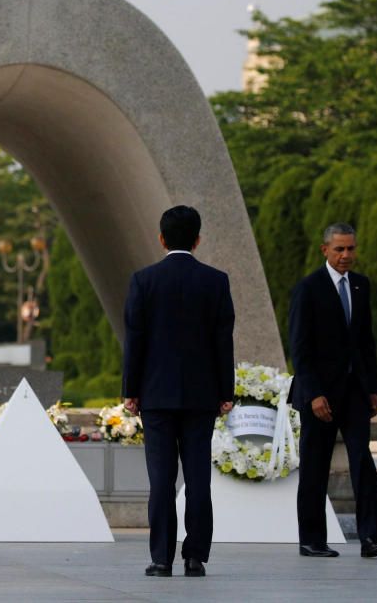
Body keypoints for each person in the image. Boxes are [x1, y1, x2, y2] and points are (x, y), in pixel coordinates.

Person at [122, 205, 235, 578]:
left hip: (156, 396)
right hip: (202, 396)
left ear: (161, 238)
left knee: (161, 479)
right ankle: (195, 556)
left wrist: (131, 390)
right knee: (198, 478)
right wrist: (225, 391)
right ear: (198, 239)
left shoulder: (144, 281)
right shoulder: (215, 281)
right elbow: (223, 341)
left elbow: (135, 341)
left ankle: (160, 558)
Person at [289, 222, 377, 558]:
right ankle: (312, 539)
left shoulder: (361, 286)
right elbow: (300, 348)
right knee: (315, 466)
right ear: (325, 250)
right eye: (339, 249)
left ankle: (371, 537)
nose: (346, 255)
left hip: (356, 392)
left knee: (362, 459)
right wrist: (314, 393)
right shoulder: (309, 288)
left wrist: (372, 388)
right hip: (319, 395)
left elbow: (366, 342)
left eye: (351, 249)